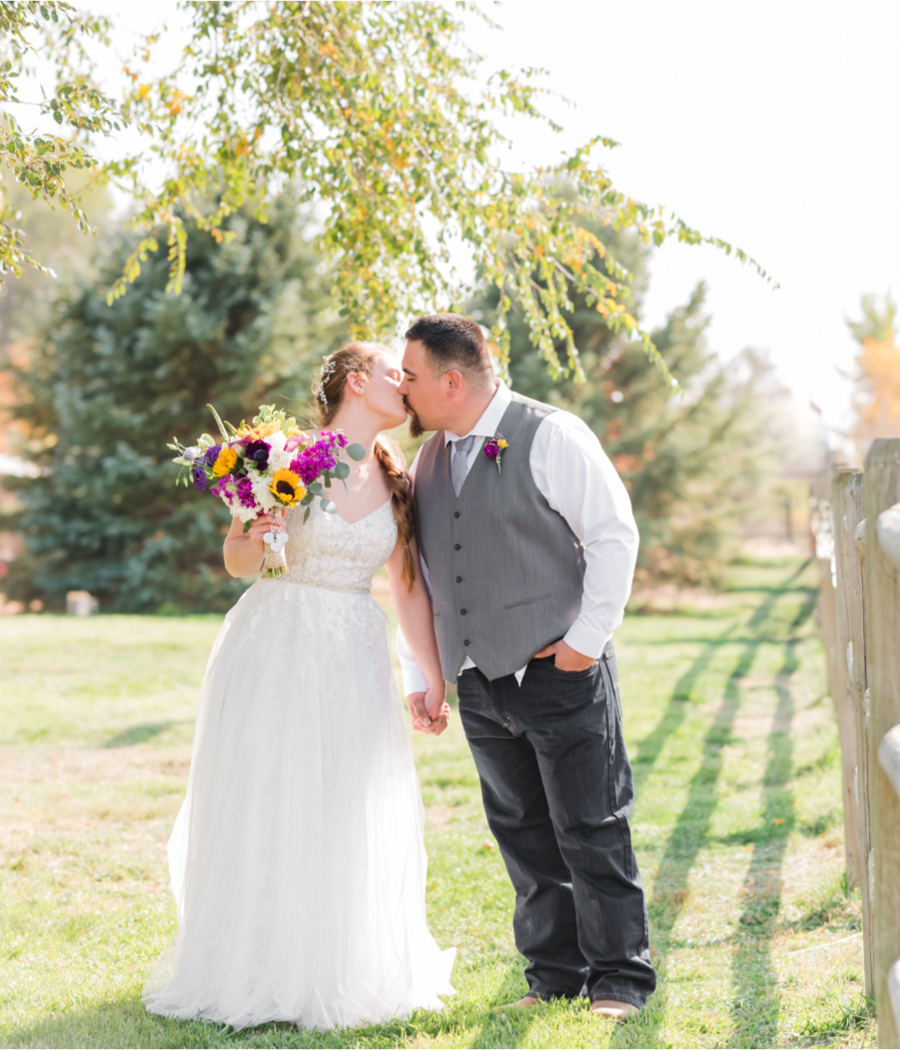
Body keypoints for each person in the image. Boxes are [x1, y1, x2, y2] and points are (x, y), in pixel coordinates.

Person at [143, 342, 456, 1031]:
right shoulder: (282, 455)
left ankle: (333, 968)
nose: (404, 383)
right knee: (266, 792)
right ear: (354, 381)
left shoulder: (398, 478)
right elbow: (236, 561)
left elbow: (407, 588)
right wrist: (255, 532)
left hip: (351, 650)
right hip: (273, 639)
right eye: (390, 372)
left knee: (343, 800)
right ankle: (253, 967)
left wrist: (431, 676)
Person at [395, 313, 657, 1022]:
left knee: (591, 826)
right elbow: (419, 571)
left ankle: (619, 981)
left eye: (411, 375)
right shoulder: (428, 459)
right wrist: (427, 673)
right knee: (521, 834)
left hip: (559, 670)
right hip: (480, 681)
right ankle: (554, 974)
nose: (402, 387)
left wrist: (584, 642)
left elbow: (612, 535)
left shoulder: (553, 434)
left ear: (452, 380)